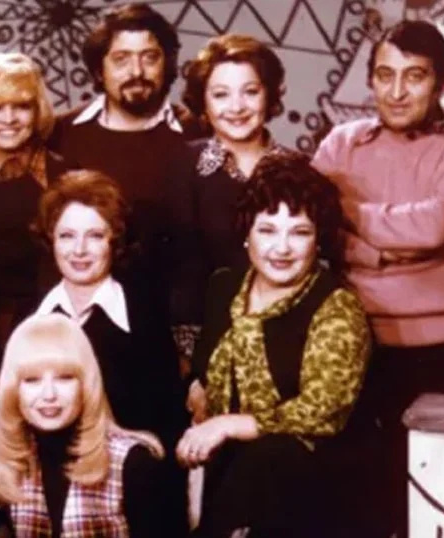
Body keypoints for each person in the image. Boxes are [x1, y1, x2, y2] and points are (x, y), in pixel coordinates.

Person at [310, 20, 444, 536]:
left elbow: (431, 228)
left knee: (426, 511)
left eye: (414, 76)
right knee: (347, 506)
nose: (397, 91)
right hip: (346, 345)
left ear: (442, 82)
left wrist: (348, 215)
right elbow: (312, 225)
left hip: (435, 354)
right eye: (385, 75)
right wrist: (386, 247)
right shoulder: (341, 142)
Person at [181, 154, 371, 536]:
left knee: (270, 456)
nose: (281, 248)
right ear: (247, 233)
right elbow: (203, 371)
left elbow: (323, 410)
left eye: (299, 232)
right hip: (229, 470)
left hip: (305, 482)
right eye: (267, 230)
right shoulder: (224, 287)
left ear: (318, 240)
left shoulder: (337, 307)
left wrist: (230, 424)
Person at [33, 169, 188, 535]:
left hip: (129, 485)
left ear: (114, 242)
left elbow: (165, 428)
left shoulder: (143, 317)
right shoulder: (32, 318)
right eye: (67, 236)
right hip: (45, 482)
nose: (79, 250)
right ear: (51, 240)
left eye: (94, 236)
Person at [47, 2, 201, 365]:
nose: (137, 72)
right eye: (121, 59)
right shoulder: (61, 134)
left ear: (167, 64)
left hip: (168, 332)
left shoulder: (196, 133)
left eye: (149, 57)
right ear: (99, 69)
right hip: (77, 327)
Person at [0, 313, 166, 537]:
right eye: (32, 380)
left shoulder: (134, 463)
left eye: (65, 377)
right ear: (13, 391)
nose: (49, 394)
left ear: (86, 385)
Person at [0, 52, 69, 344]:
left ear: (37, 111)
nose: (9, 119)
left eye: (21, 106)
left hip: (45, 324)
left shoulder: (62, 175)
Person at [181, 33, 294, 275]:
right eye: (221, 94)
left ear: (269, 95)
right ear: (204, 102)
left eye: (250, 92)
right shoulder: (181, 167)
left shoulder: (300, 170)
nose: (237, 107)